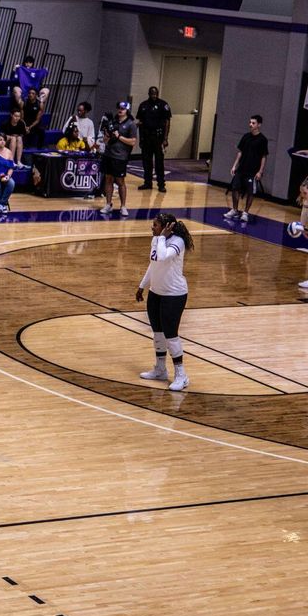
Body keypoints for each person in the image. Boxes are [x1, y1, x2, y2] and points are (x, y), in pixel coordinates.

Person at [135, 213, 194, 392]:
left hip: (174, 294)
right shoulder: (157, 239)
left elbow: (162, 256)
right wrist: (142, 286)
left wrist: (161, 238)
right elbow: (154, 264)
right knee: (158, 332)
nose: (152, 227)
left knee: (171, 334)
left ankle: (181, 375)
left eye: (155, 225)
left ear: (167, 227)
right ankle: (160, 369)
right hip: (156, 292)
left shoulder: (177, 242)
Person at [225, 114, 268, 223]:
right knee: (235, 188)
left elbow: (264, 156)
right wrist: (234, 165)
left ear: (259, 125)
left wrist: (260, 171)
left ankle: (245, 212)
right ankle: (234, 209)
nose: (250, 125)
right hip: (241, 168)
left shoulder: (263, 140)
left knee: (250, 192)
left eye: (253, 123)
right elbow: (240, 152)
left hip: (252, 171)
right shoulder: (245, 137)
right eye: (250, 122)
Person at [100, 101, 137, 217]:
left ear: (127, 110)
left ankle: (123, 206)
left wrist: (119, 136)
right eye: (119, 108)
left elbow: (133, 142)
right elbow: (105, 140)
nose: (120, 110)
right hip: (108, 154)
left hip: (120, 157)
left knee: (120, 181)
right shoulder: (112, 122)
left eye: (123, 108)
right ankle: (108, 204)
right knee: (108, 179)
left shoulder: (131, 124)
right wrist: (107, 135)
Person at [136, 86, 171, 192]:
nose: (153, 95)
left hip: (158, 137)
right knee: (146, 161)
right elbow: (140, 123)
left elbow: (167, 122)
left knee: (159, 162)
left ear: (158, 93)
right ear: (148, 94)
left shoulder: (163, 105)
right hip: (146, 137)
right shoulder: (143, 105)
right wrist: (141, 139)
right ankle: (147, 182)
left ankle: (161, 184)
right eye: (151, 93)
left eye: (155, 93)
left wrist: (165, 138)